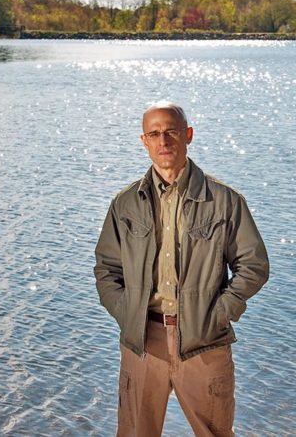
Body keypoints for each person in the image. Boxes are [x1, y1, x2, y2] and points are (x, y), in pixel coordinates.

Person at [94, 101, 270, 436]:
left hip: (205, 343)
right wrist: (126, 313)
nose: (164, 141)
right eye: (154, 134)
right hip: (143, 343)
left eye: (171, 132)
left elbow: (254, 265)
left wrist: (220, 312)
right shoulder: (125, 204)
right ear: (143, 141)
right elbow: (106, 269)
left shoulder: (225, 200)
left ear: (187, 135)